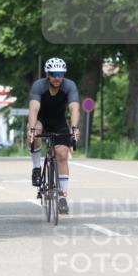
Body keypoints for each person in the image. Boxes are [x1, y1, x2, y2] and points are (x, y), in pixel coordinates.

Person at [27, 57, 80, 214]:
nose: (57, 77)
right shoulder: (39, 86)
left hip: (59, 122)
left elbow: (74, 108)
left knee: (62, 154)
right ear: (47, 74)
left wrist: (75, 127)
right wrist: (31, 129)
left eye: (60, 74)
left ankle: (63, 197)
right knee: (34, 131)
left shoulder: (69, 86)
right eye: (54, 74)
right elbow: (34, 109)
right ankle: (37, 168)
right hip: (41, 120)